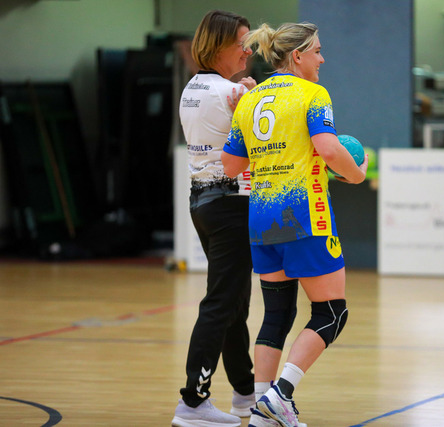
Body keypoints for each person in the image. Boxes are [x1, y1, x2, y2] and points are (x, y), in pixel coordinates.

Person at [221, 22, 368, 427]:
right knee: (331, 313)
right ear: (298, 56)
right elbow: (328, 149)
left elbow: (231, 165)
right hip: (304, 215)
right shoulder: (313, 94)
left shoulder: (252, 99)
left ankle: (262, 409)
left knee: (277, 314)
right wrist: (356, 174)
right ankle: (280, 395)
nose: (322, 59)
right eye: (317, 51)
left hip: (262, 216)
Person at [171, 10, 258, 427]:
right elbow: (256, 147)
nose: (249, 51)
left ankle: (244, 393)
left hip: (203, 203)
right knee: (223, 302)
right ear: (219, 45)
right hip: (230, 206)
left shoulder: (193, 87)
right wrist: (250, 96)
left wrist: (243, 92)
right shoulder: (233, 93)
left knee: (234, 301)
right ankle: (193, 401)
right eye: (243, 43)